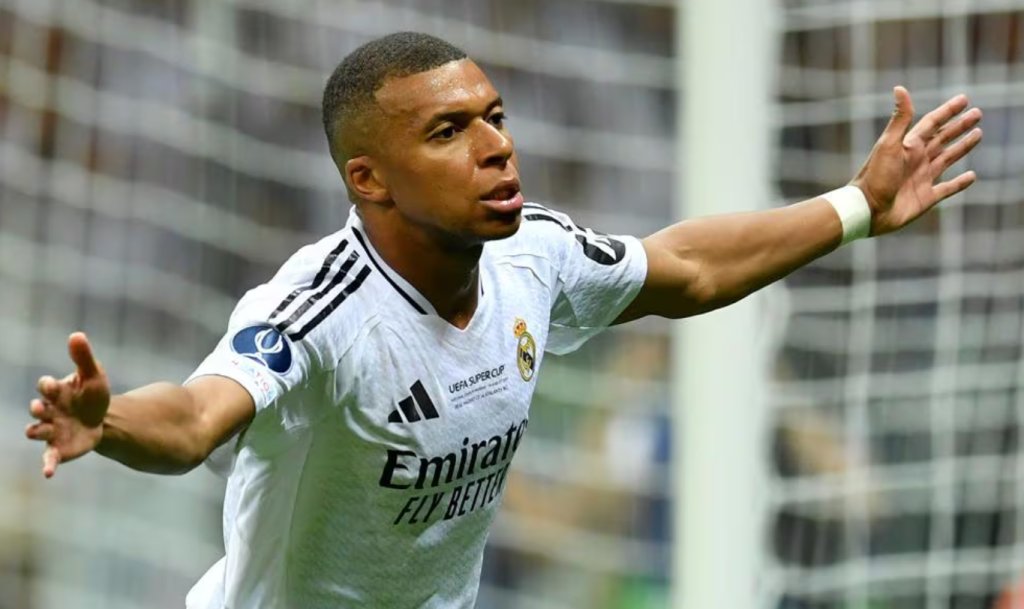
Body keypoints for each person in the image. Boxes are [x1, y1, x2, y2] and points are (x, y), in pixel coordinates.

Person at [23, 31, 982, 608]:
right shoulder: (321, 309)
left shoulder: (534, 255)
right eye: (449, 131)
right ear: (369, 179)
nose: (495, 147)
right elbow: (197, 416)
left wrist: (856, 206)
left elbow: (685, 267)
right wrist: (109, 421)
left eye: (495, 115)